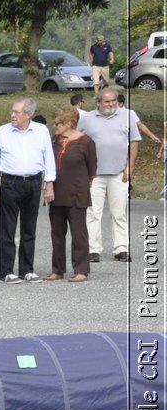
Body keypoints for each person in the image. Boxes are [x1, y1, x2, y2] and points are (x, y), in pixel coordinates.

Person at [0, 97, 56, 283]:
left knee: (29, 228)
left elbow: (49, 157)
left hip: (33, 182)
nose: (12, 115)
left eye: (16, 112)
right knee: (8, 228)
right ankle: (6, 270)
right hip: (10, 183)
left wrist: (50, 184)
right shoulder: (3, 131)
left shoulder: (41, 131)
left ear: (28, 114)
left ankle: (27, 269)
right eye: (12, 111)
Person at [79, 87, 153, 263]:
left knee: (119, 212)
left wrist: (130, 166)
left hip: (119, 173)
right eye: (107, 101)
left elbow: (135, 141)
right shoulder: (87, 118)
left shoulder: (126, 115)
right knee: (93, 212)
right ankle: (93, 249)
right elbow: (76, 139)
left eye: (113, 100)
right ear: (98, 102)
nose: (111, 104)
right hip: (93, 175)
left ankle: (121, 248)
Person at [45, 105, 97, 282]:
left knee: (79, 232)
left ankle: (81, 269)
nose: (55, 126)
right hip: (56, 193)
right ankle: (57, 269)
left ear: (69, 123)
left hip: (76, 193)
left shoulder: (86, 141)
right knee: (57, 233)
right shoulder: (54, 140)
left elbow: (92, 168)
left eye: (58, 123)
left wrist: (83, 184)